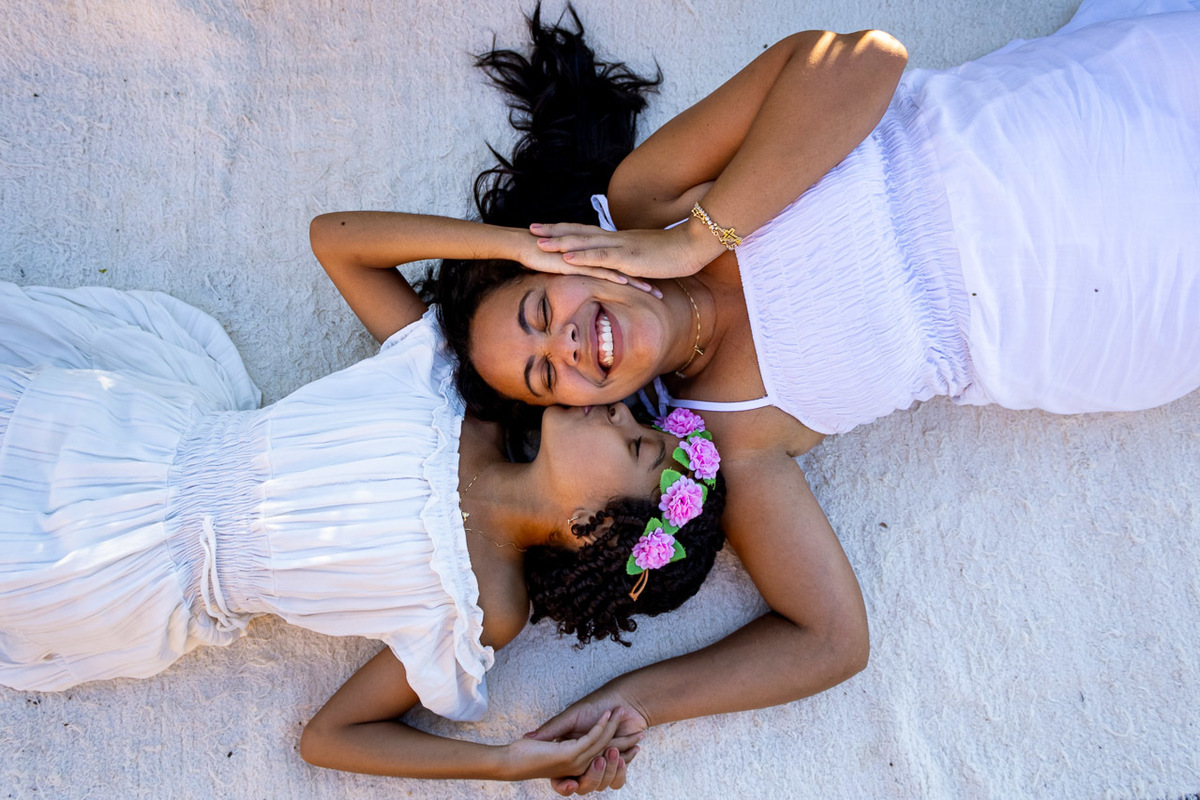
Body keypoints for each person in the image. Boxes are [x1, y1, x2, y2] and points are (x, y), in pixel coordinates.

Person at [345, 1, 1198, 791]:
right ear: (575, 412)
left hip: (1039, 140)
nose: (563, 346)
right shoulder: (733, 438)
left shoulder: (650, 195)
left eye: (540, 309)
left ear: (568, 253)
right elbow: (830, 641)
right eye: (543, 376)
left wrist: (689, 244)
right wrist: (630, 701)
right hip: (1100, 303)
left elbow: (860, 59)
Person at [0, 208, 729, 784]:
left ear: (591, 529)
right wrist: (519, 247)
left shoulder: (485, 606)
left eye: (636, 443)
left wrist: (504, 763)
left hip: (121, 573)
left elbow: (330, 737)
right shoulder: (451, 394)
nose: (622, 408)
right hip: (135, 444)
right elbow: (337, 240)